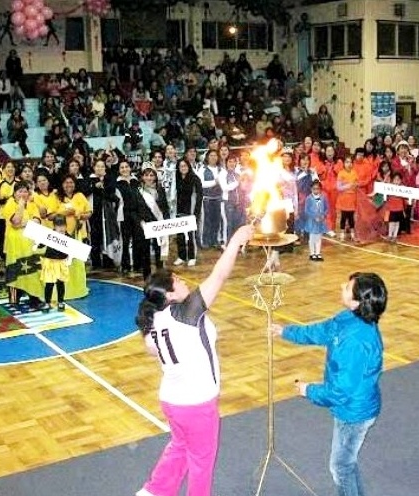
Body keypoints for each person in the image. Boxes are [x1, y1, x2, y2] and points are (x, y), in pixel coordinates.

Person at [135, 224, 255, 496]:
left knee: (179, 446)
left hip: (171, 400)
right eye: (177, 280)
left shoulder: (154, 319)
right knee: (201, 461)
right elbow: (220, 275)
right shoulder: (186, 312)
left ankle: (154, 491)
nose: (183, 280)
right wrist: (236, 239)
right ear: (168, 295)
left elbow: (152, 349)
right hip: (197, 403)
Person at [270, 272, 387, 496]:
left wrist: (309, 390)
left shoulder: (356, 341)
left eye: (347, 287)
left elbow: (340, 392)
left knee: (341, 466)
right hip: (350, 406)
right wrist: (286, 332)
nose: (342, 285)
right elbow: (321, 331)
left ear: (357, 301)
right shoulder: (348, 319)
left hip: (354, 412)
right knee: (345, 463)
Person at [174, 159, 203, 267]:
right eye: (181, 166)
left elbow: (199, 196)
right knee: (180, 235)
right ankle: (181, 256)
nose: (183, 168)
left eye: (185, 166)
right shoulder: (177, 178)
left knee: (191, 235)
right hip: (179, 211)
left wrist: (196, 212)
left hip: (191, 211)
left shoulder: (195, 179)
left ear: (188, 166)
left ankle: (192, 257)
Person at [40, 215, 70, 313]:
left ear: (66, 226)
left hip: (61, 262)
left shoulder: (68, 236)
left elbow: (73, 249)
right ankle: (47, 302)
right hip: (50, 262)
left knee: (60, 283)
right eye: (58, 225)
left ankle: (61, 301)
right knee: (49, 283)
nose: (61, 228)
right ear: (54, 226)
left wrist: (70, 259)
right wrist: (37, 242)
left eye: (62, 225)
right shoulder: (50, 235)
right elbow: (41, 244)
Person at [304, 180, 328, 261]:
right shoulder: (309, 198)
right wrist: (314, 217)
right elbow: (306, 210)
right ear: (311, 189)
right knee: (312, 238)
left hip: (320, 221)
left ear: (320, 189)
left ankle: (318, 253)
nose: (316, 190)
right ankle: (312, 253)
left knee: (319, 237)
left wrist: (323, 215)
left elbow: (326, 208)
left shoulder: (323, 198)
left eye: (317, 189)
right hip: (312, 222)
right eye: (314, 189)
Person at [385, 172, 407, 243]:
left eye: (398, 179)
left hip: (399, 208)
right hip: (392, 208)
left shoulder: (402, 188)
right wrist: (386, 177)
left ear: (400, 180)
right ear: (392, 180)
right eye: (395, 179)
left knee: (397, 223)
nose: (397, 181)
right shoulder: (390, 187)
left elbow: (405, 198)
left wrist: (404, 210)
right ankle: (390, 235)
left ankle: (394, 236)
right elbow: (383, 185)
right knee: (391, 222)